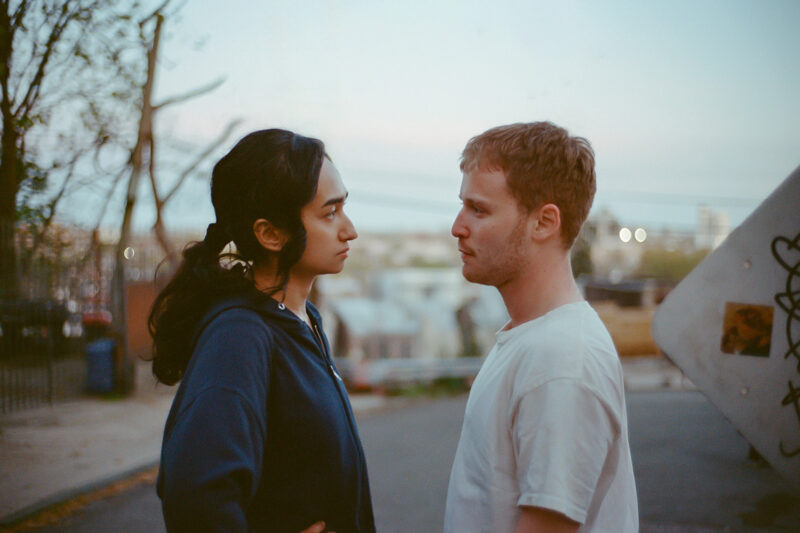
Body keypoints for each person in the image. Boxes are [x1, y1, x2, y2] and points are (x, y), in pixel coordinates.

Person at [149, 129, 375, 533]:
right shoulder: (240, 336)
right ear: (270, 234)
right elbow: (194, 495)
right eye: (330, 213)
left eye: (343, 207)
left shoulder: (302, 319)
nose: (350, 229)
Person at [444, 122, 639, 533]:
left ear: (544, 222)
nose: (457, 227)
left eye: (479, 210)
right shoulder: (534, 339)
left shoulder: (562, 359)